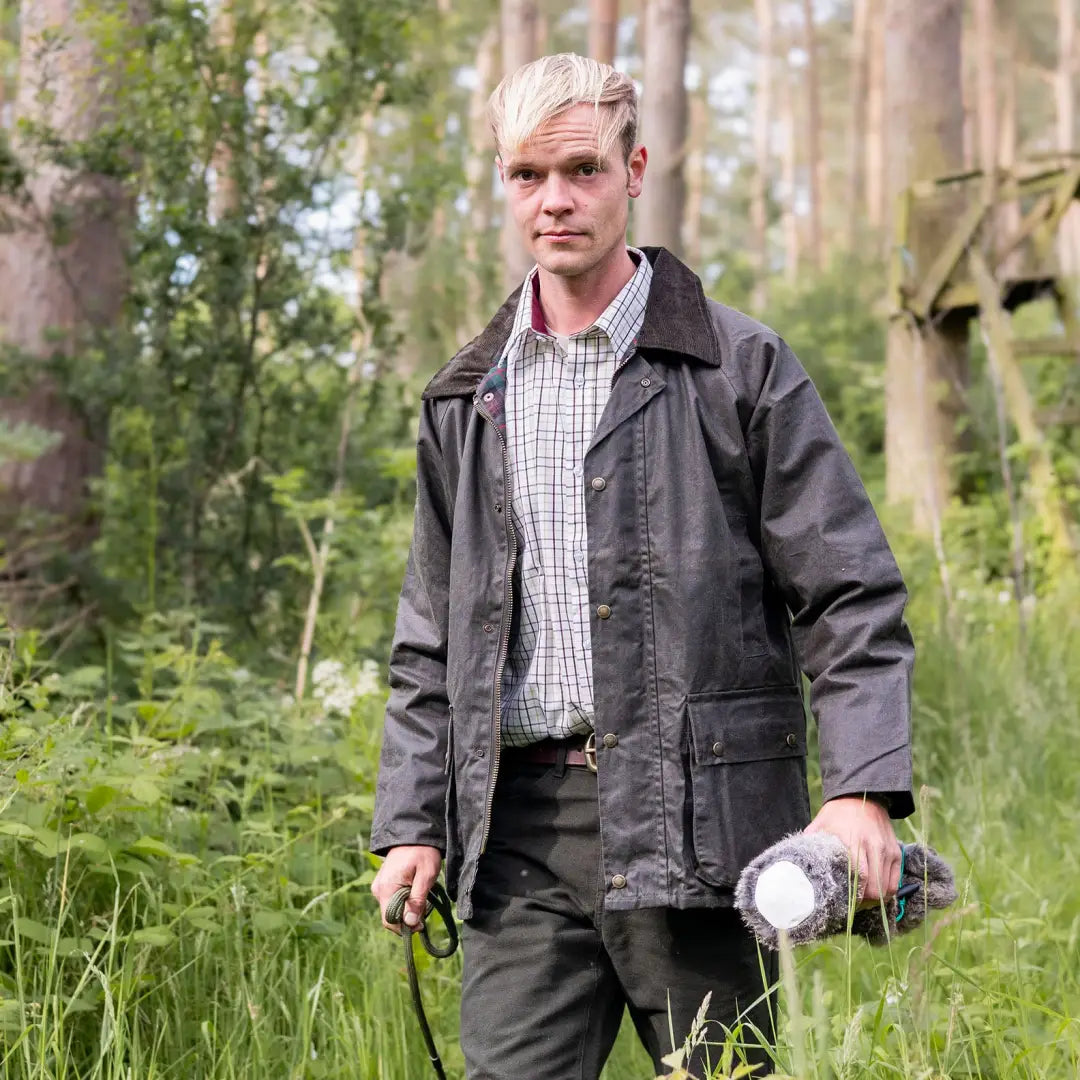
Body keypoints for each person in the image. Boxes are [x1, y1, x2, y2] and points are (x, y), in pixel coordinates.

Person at [370, 52, 915, 1080]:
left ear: (634, 169)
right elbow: (431, 635)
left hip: (699, 827)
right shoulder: (465, 396)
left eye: (581, 169)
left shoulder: (739, 367)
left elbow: (850, 595)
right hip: (517, 840)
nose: (555, 201)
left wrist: (862, 791)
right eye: (528, 176)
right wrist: (411, 822)